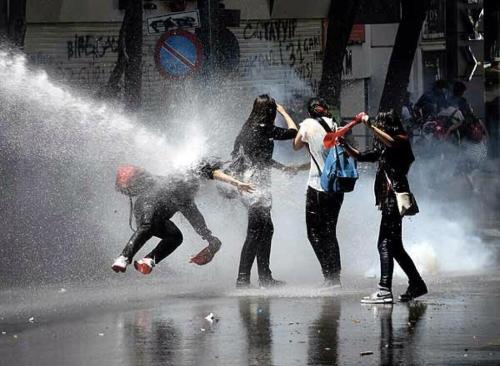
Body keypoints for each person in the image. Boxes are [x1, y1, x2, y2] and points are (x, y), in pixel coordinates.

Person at [340, 110, 427, 303]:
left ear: (387, 125)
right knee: (395, 247)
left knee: (385, 244)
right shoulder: (386, 147)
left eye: (380, 125)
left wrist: (369, 124)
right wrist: (343, 143)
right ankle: (417, 283)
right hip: (389, 199)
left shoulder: (400, 140)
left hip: (393, 198)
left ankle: (384, 290)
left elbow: (392, 142)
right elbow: (361, 157)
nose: (376, 129)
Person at [112, 159, 254, 274]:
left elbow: (195, 218)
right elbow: (213, 173)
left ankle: (148, 260)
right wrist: (237, 183)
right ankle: (124, 257)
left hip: (152, 214)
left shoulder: (185, 197)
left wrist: (209, 238)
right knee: (148, 226)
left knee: (175, 237)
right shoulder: (189, 173)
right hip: (148, 202)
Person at [230, 94, 298, 288]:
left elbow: (260, 159)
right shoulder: (263, 128)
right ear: (270, 111)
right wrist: (284, 112)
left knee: (266, 229)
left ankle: (265, 276)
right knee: (255, 232)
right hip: (255, 186)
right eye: (273, 110)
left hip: (249, 182)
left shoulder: (246, 128)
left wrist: (282, 168)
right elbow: (293, 132)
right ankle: (243, 279)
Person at [292, 97, 344, 286]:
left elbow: (296, 145)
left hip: (317, 187)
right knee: (330, 232)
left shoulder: (307, 124)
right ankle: (335, 277)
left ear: (310, 111)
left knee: (314, 233)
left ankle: (328, 275)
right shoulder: (336, 125)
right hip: (337, 186)